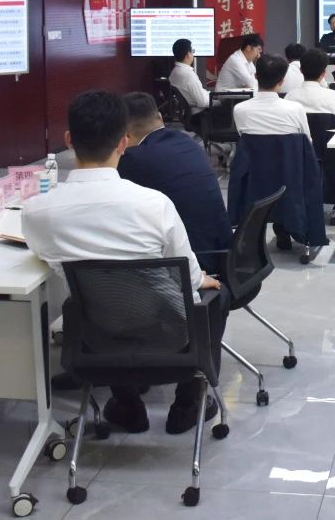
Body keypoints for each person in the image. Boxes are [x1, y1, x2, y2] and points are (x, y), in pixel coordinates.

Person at [21, 90, 226, 435]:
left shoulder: (37, 212)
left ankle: (127, 405)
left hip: (96, 338)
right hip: (170, 337)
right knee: (216, 296)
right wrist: (199, 278)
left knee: (107, 300)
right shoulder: (155, 205)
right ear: (123, 142)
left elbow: (44, 253)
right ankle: (188, 402)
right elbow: (187, 273)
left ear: (69, 140)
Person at [118, 92, 232, 274]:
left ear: (124, 133)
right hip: (223, 251)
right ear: (160, 117)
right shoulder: (188, 143)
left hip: (192, 264)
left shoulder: (133, 160)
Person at [232, 54, 311, 139]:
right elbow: (307, 141)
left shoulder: (239, 109)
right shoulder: (297, 109)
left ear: (255, 76)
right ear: (281, 81)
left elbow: (244, 140)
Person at [286, 47, 335, 129]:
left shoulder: (290, 97)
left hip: (300, 137)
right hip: (329, 137)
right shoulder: (333, 97)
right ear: (324, 73)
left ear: (301, 70)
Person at [166, 38, 209, 115]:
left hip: (190, 114)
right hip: (201, 114)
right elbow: (203, 102)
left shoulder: (174, 72)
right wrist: (218, 100)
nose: (193, 54)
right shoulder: (188, 75)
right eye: (192, 51)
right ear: (188, 54)